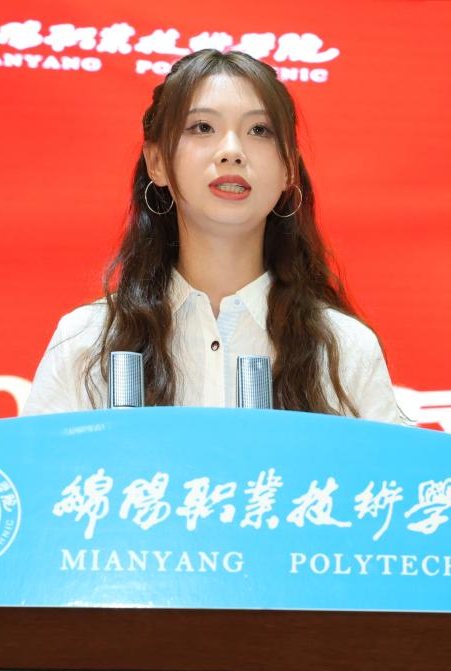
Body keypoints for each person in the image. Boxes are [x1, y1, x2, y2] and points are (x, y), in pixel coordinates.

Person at [21, 49, 403, 424]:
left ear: (289, 167)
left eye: (259, 130)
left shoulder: (345, 349)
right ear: (157, 162)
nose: (232, 152)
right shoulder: (86, 341)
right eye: (202, 127)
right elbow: (37, 464)